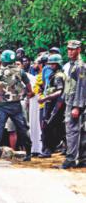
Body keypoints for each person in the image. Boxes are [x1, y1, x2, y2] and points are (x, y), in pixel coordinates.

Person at [0, 50, 33, 161]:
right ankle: (28, 153)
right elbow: (28, 87)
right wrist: (27, 93)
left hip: (2, 104)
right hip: (16, 105)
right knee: (23, 129)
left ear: (3, 60)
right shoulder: (21, 72)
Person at [61, 40, 85, 169]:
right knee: (79, 131)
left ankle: (71, 159)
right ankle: (82, 159)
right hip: (70, 100)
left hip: (75, 102)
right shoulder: (71, 65)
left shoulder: (79, 66)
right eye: (69, 49)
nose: (70, 51)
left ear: (79, 50)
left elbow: (81, 87)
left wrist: (77, 106)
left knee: (72, 131)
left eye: (73, 49)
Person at [38, 53, 66, 158]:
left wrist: (45, 98)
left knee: (47, 126)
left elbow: (59, 91)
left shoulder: (58, 76)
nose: (50, 66)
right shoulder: (57, 74)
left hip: (55, 104)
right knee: (59, 127)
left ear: (58, 64)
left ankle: (48, 150)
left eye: (53, 64)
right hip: (56, 104)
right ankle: (65, 148)